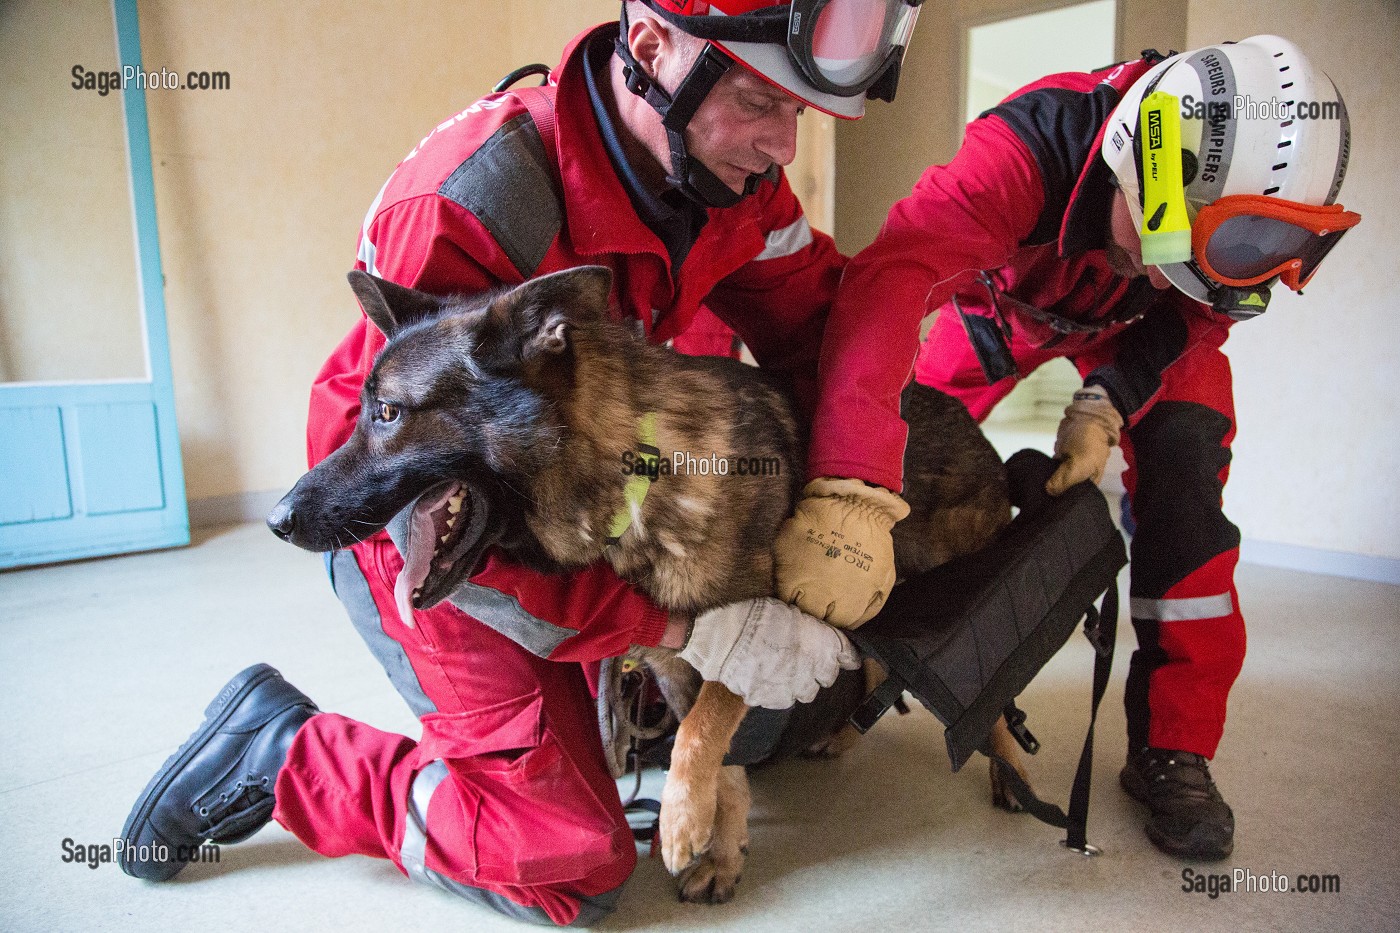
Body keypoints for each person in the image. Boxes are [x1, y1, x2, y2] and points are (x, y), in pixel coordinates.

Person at [119, 1, 924, 925]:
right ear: (657, 50)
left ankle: (605, 699)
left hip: (567, 508)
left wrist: (858, 487)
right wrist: (674, 628)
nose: (783, 146)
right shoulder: (473, 206)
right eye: (755, 102)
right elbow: (389, 483)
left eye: (799, 112)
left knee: (773, 708)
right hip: (432, 536)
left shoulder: (729, 181)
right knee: (569, 861)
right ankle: (281, 752)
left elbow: (831, 333)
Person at [777, 36, 1357, 860]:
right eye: (1163, 245)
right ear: (1140, 154)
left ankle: (1175, 745)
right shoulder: (1025, 149)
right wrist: (853, 481)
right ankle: (859, 672)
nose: (1165, 275)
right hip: (1002, 315)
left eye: (1196, 265)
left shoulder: (1209, 268)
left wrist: (1109, 398)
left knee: (1189, 464)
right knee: (906, 449)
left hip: (1135, 340)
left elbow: (1194, 313)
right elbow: (892, 280)